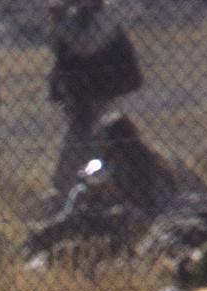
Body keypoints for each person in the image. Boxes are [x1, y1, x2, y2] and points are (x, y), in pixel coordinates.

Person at [46, 0, 141, 194]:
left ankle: (67, 191)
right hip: (81, 98)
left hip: (103, 94)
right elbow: (56, 45)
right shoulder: (74, 17)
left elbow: (86, 45)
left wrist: (61, 21)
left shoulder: (107, 13)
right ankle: (74, 190)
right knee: (82, 147)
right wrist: (60, 21)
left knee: (86, 146)